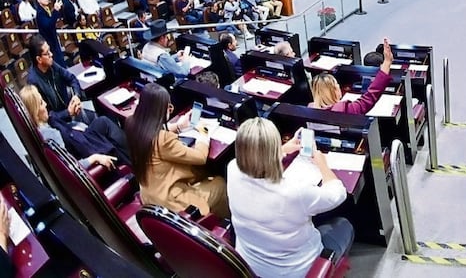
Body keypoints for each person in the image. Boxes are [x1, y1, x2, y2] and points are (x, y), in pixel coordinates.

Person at [227, 118, 353, 277]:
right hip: (296, 271)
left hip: (251, 266)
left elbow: (254, 162)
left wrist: (282, 149)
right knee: (344, 226)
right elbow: (338, 194)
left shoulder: (232, 169)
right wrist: (322, 164)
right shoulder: (294, 191)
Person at [125, 82, 229, 217]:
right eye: (167, 107)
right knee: (219, 184)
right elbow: (200, 157)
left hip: (149, 193)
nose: (171, 109)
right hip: (169, 201)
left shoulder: (131, 123)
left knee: (200, 175)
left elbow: (152, 132)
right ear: (158, 111)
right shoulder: (164, 140)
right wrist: (204, 134)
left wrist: (178, 126)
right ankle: (223, 227)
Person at [19, 84, 130, 167]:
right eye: (42, 103)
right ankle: (136, 162)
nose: (46, 104)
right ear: (35, 111)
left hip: (79, 137)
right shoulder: (50, 135)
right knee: (113, 146)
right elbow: (69, 166)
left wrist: (69, 112)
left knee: (103, 121)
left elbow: (55, 116)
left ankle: (133, 154)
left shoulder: (42, 124)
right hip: (84, 149)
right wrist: (94, 158)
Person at [309, 38, 394, 114]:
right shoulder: (345, 110)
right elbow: (370, 96)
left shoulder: (310, 111)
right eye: (337, 85)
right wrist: (387, 62)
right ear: (334, 91)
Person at [25, 35, 82, 115]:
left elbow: (72, 78)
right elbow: (46, 116)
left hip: (69, 110)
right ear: (39, 59)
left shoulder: (52, 65)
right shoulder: (33, 82)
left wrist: (76, 96)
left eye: (50, 50)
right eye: (47, 53)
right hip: (58, 123)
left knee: (100, 120)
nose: (51, 54)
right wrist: (67, 113)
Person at [31, 0, 66, 67]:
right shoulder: (40, 13)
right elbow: (49, 25)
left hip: (55, 43)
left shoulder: (46, 9)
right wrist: (55, 11)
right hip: (50, 47)